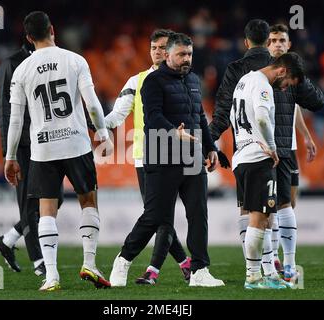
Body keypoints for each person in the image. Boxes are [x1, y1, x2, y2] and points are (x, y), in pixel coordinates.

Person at [4, 11, 113, 291]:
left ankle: (51, 276)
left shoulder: (22, 70)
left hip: (42, 149)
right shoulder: (75, 60)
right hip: (76, 143)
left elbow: (15, 120)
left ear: (29, 38)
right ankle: (89, 262)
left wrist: (10, 156)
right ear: (53, 29)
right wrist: (102, 133)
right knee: (88, 202)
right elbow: (92, 104)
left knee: (46, 212)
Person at [109, 33, 224, 288]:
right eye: (182, 54)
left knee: (198, 213)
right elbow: (152, 117)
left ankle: (199, 271)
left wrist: (210, 148)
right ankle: (123, 259)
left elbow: (199, 118)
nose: (187, 59)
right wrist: (175, 132)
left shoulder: (194, 80)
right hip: (161, 155)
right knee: (155, 216)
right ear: (168, 55)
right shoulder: (152, 81)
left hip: (192, 157)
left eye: (190, 54)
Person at [105, 29, 191, 285]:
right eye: (154, 47)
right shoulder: (137, 81)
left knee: (159, 215)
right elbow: (117, 115)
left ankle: (150, 270)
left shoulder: (182, 79)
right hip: (145, 157)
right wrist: (96, 121)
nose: (158, 52)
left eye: (163, 48)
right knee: (158, 215)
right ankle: (185, 264)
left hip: (175, 156)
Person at [231, 52, 305, 289]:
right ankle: (253, 276)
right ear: (282, 71)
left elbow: (235, 117)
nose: (284, 89)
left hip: (241, 155)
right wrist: (272, 148)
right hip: (257, 159)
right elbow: (262, 118)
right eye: (287, 83)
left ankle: (269, 274)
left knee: (264, 218)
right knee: (260, 218)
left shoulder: (244, 81)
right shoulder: (263, 86)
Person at [266, 24, 324, 281]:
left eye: (282, 40)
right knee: (272, 205)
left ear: (289, 45)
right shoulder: (264, 74)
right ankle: (279, 259)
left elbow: (296, 106)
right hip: (267, 148)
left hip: (288, 147)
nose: (278, 44)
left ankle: (282, 257)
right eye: (273, 40)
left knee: (289, 201)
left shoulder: (292, 76)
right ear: (267, 44)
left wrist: (305, 135)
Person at [0, 39, 47, 276]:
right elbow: (5, 109)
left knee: (52, 198)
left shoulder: (49, 60)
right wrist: (9, 152)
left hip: (45, 140)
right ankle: (38, 261)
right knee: (28, 201)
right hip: (23, 143)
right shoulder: (11, 63)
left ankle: (8, 239)